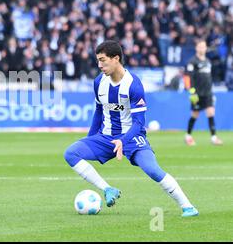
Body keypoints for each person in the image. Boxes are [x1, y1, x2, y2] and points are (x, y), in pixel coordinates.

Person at [63, 40, 199, 217]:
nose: (99, 65)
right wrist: (90, 138)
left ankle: (188, 206)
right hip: (106, 137)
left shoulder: (133, 85)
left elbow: (138, 124)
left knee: (152, 170)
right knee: (71, 153)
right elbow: (98, 111)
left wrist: (122, 140)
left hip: (131, 137)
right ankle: (108, 189)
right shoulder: (99, 83)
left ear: (116, 58)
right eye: (98, 60)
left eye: (103, 60)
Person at [184, 40, 223, 146]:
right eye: (200, 47)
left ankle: (214, 137)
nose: (202, 49)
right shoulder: (192, 62)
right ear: (196, 48)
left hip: (208, 93)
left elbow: (208, 78)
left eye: (203, 47)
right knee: (195, 115)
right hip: (197, 94)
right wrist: (191, 92)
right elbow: (187, 77)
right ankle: (188, 135)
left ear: (206, 48)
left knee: (211, 113)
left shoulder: (208, 62)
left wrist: (212, 91)